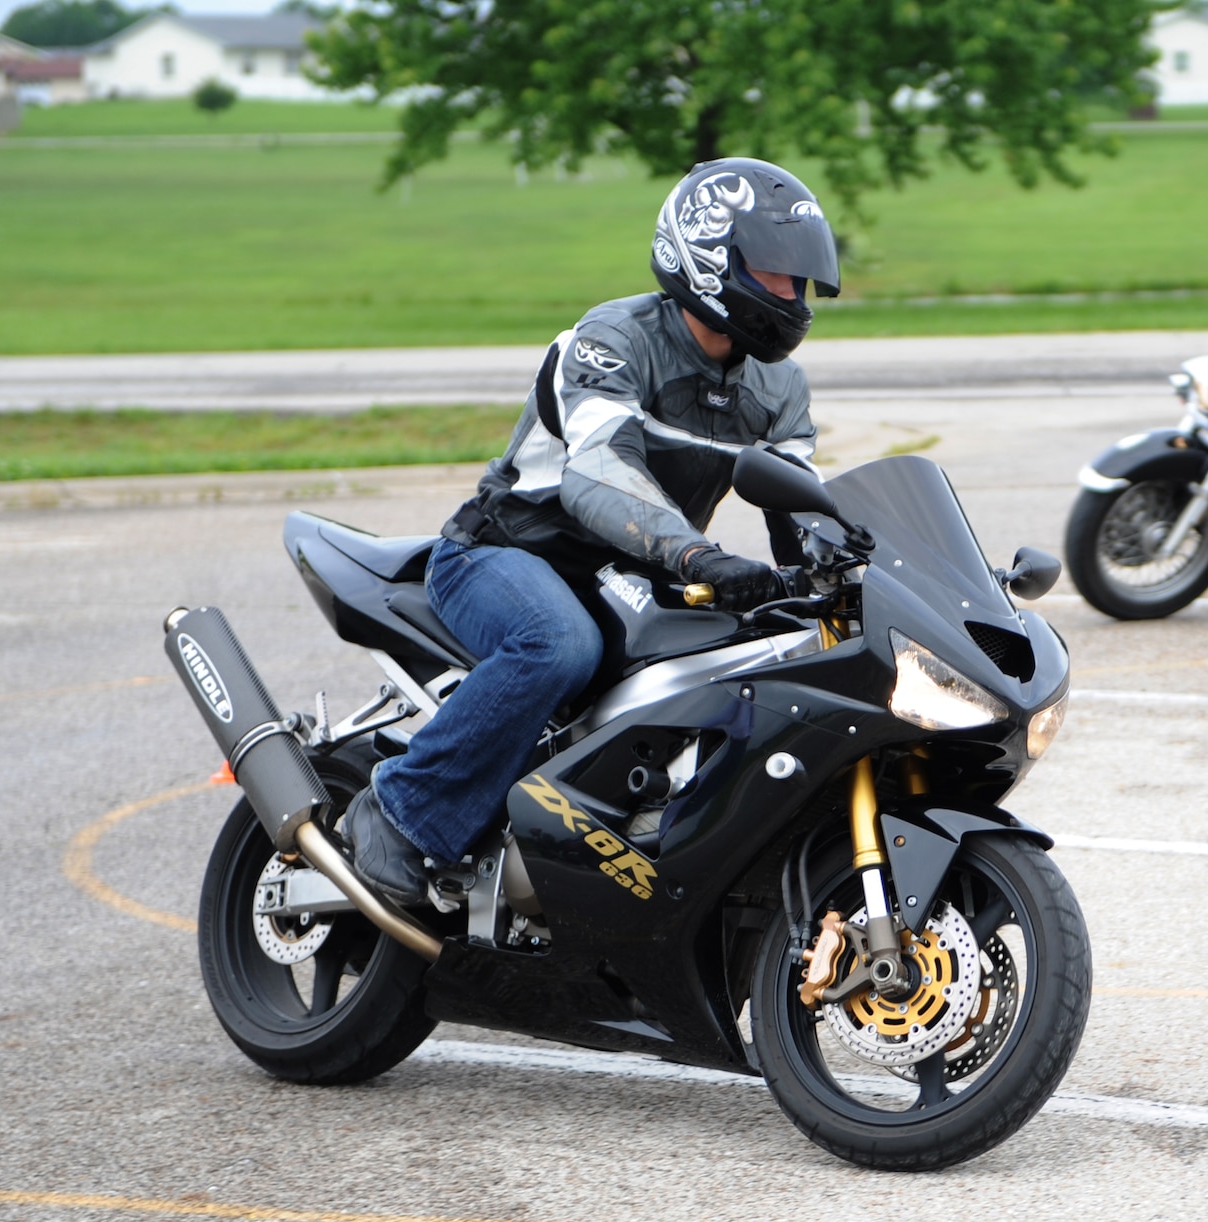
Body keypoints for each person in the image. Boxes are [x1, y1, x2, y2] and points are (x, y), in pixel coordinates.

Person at [344, 157, 840, 905]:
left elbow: (802, 513)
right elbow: (598, 472)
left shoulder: (779, 389)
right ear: (709, 260)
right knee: (558, 644)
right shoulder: (612, 339)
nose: (790, 295)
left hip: (635, 571)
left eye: (796, 280)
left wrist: (850, 571)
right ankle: (399, 811)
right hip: (506, 550)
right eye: (774, 274)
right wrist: (696, 551)